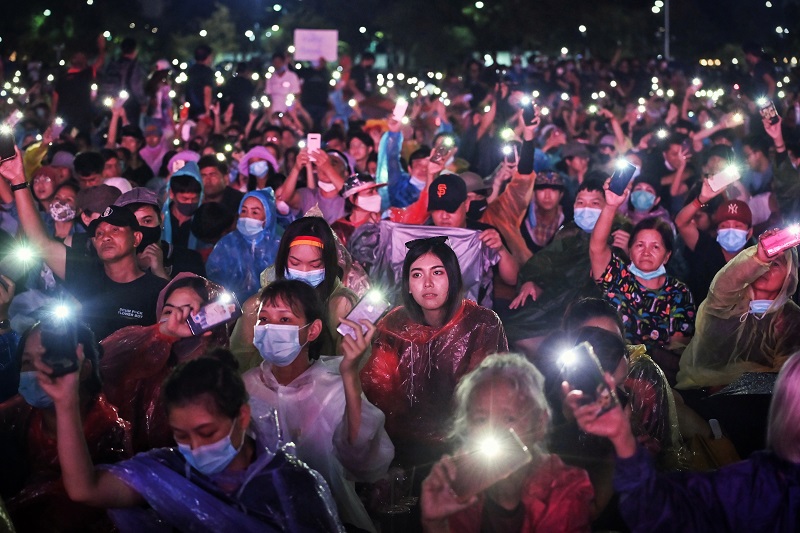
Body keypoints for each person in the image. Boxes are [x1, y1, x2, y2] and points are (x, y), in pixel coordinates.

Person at [40, 348, 343, 531]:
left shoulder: (293, 485)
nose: (195, 448)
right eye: (181, 436)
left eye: (207, 432)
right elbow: (85, 489)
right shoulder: (167, 470)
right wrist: (66, 404)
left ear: (243, 416)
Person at [566, 352, 800, 531]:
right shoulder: (760, 485)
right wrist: (623, 440)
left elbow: (656, 509)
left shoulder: (758, 485)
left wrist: (623, 442)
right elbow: (660, 509)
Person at [243, 280, 393, 531]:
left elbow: (365, 462)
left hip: (333, 520)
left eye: (284, 320)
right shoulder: (246, 386)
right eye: (264, 320)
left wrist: (349, 374)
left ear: (312, 331)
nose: (270, 328)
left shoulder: (333, 386)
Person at [361, 237, 508, 466]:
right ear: (408, 285)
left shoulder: (482, 324)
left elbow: (483, 392)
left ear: (453, 277)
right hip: (399, 446)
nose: (427, 283)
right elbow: (379, 389)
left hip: (463, 448)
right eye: (417, 275)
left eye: (437, 273)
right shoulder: (393, 325)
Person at [0, 150, 168, 339]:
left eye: (115, 230)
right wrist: (18, 180)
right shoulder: (86, 275)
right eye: (99, 233)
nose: (106, 236)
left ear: (136, 238)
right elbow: (40, 242)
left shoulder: (158, 290)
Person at [420, 353, 594, 532]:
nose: (493, 431)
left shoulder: (566, 488)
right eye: (480, 419)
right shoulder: (458, 488)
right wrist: (436, 524)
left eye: (509, 418)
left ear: (540, 423)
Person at [0, 321, 131, 532]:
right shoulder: (22, 412)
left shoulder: (108, 434)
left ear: (84, 368)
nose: (36, 371)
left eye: (49, 359)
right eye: (27, 362)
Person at [589, 178, 695, 381]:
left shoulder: (678, 292)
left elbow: (678, 352)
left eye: (655, 247)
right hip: (608, 374)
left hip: (659, 379)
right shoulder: (618, 278)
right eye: (639, 245)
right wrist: (611, 206)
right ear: (629, 250)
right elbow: (597, 247)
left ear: (667, 256)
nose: (646, 252)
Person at [230, 216, 357, 371]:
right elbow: (239, 363)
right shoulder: (257, 305)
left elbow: (354, 369)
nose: (304, 271)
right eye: (295, 263)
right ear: (283, 260)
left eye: (315, 264)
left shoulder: (341, 305)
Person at [677, 235, 800, 390]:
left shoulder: (792, 318)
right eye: (764, 263)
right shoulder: (728, 303)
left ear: (789, 275)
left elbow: (786, 377)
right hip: (700, 390)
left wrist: (734, 385)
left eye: (775, 264)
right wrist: (759, 258)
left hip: (755, 402)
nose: (766, 268)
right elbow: (724, 284)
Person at [206, 189, 280, 300]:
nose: (247, 217)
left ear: (267, 217)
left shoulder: (278, 245)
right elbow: (213, 275)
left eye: (255, 212)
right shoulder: (227, 244)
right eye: (244, 211)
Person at [331, 173, 386, 245]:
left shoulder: (383, 223)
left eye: (377, 191)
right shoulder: (338, 228)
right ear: (352, 198)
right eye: (370, 192)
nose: (377, 195)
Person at [185, 44, 214, 120]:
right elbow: (207, 91)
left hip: (191, 109)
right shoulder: (207, 72)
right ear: (207, 57)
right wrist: (207, 111)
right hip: (202, 110)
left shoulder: (191, 70)